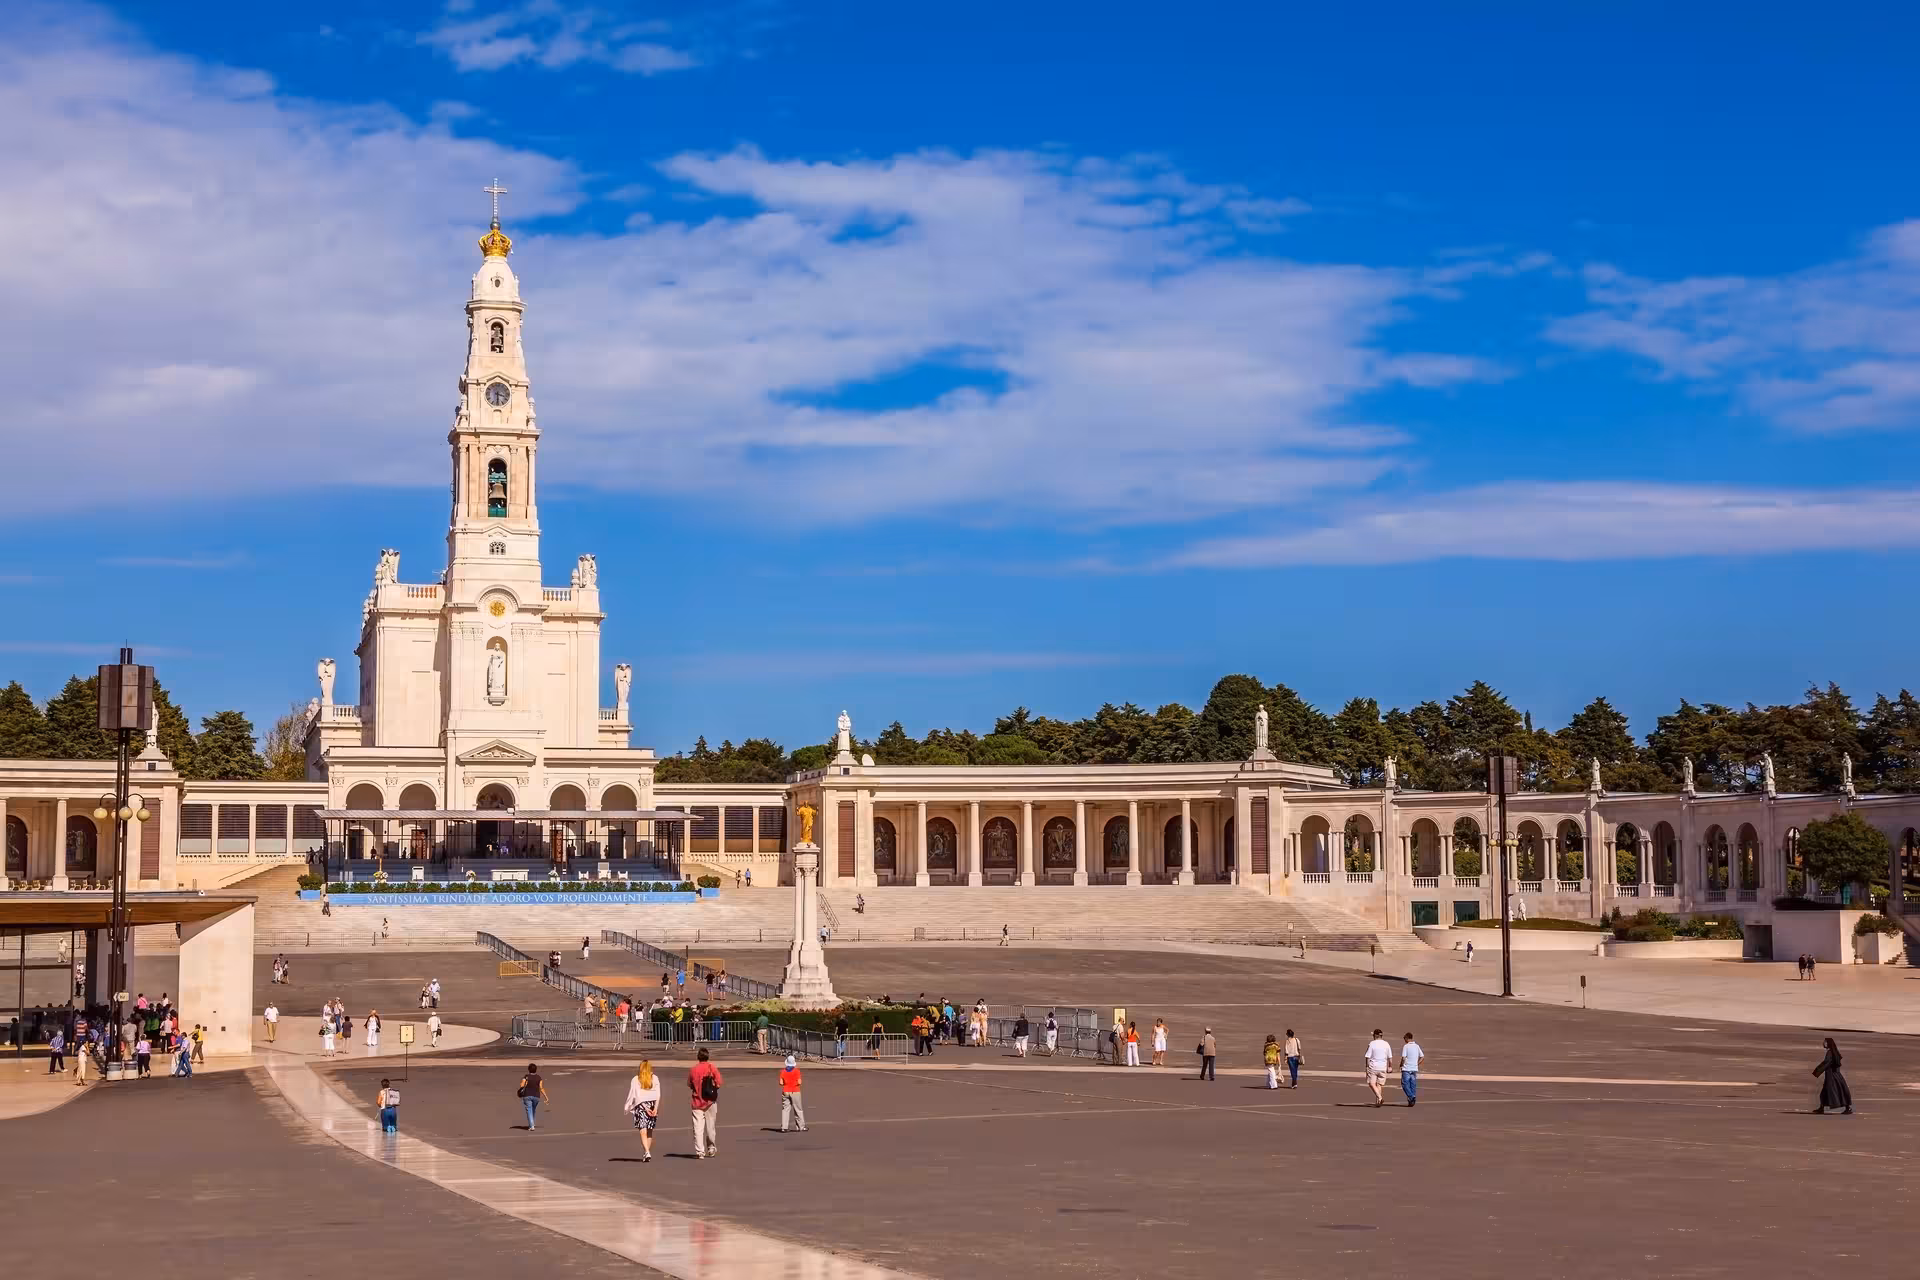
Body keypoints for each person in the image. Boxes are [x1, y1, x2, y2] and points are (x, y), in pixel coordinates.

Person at [689, 1047, 723, 1158]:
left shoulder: (693, 1070)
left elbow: (690, 1084)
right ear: (707, 1056)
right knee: (710, 1127)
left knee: (698, 1128)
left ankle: (700, 1151)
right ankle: (711, 1148)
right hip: (710, 1101)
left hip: (697, 1101)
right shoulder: (711, 1067)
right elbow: (719, 1082)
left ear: (698, 1057)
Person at [624, 1060, 661, 1161]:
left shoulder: (636, 1079)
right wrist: (655, 1108)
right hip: (652, 1105)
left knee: (643, 1130)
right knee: (649, 1130)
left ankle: (647, 1152)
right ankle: (647, 1152)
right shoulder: (655, 1078)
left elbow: (637, 1096)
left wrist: (646, 1108)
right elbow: (658, 1095)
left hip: (641, 1106)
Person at [1812, 1037, 1853, 1114]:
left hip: (1832, 1076)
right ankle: (1822, 1108)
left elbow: (1826, 1063)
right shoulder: (1834, 1052)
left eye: (1825, 1042)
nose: (1823, 1043)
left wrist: (1817, 1071)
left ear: (1829, 1044)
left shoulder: (1830, 1052)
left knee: (1835, 1091)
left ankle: (1848, 1108)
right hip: (1836, 1075)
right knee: (1833, 1091)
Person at [778, 1054, 807, 1132]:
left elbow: (781, 1083)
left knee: (785, 1109)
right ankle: (801, 1126)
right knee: (798, 1109)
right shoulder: (797, 1071)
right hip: (795, 1091)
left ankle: (784, 1127)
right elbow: (799, 1082)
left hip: (785, 1091)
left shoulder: (783, 1071)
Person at [1364, 1029, 1392, 1107]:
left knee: (1371, 1083)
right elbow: (1390, 1057)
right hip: (1383, 1067)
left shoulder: (1372, 1044)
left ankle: (1380, 1098)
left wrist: (1366, 1067)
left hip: (1373, 1067)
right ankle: (1378, 1102)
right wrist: (1390, 1066)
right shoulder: (1386, 1044)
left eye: (1373, 1035)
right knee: (1379, 1084)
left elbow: (1367, 1056)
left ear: (1375, 1035)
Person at [517, 1063, 549, 1130]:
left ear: (529, 1069)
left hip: (527, 1096)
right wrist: (546, 1097)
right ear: (536, 1070)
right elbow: (541, 1088)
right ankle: (532, 1123)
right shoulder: (539, 1077)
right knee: (533, 1110)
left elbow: (521, 1085)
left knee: (529, 1110)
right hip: (536, 1096)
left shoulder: (526, 1076)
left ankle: (531, 1126)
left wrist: (524, 1084)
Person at [1400, 1032, 1424, 1106]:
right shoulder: (1416, 1046)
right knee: (1412, 1084)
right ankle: (1411, 1100)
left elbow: (1403, 1057)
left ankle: (1411, 1096)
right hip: (1414, 1068)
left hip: (1406, 1068)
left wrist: (1401, 1064)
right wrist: (1416, 1064)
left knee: (1405, 1084)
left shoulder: (1406, 1046)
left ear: (1407, 1038)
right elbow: (1422, 1056)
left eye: (1404, 1038)